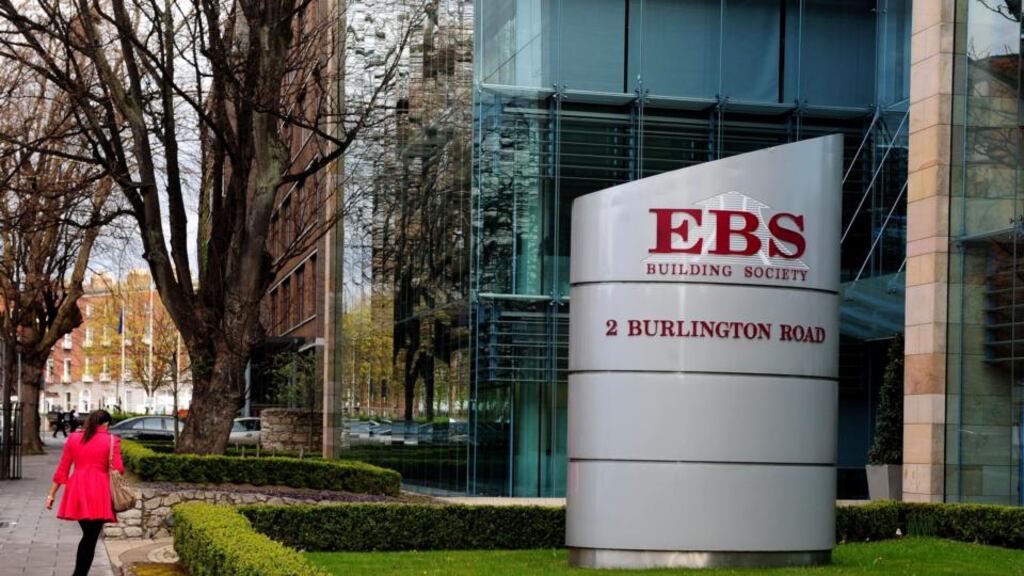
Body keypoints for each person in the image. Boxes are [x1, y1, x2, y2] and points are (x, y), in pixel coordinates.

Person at [45, 410, 124, 576]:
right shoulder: (112, 440)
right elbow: (119, 469)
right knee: (90, 537)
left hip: (77, 491)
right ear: (106, 424)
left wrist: (51, 495)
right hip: (99, 492)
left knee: (88, 535)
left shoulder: (73, 438)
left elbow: (63, 469)